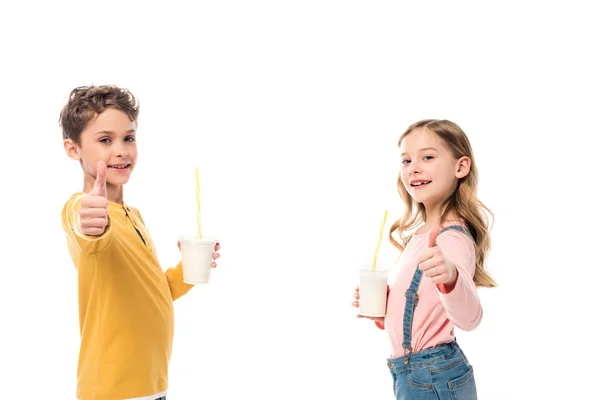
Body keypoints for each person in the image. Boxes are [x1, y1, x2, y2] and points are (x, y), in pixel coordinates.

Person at [59, 85, 221, 400]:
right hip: (113, 389)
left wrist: (188, 269)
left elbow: (152, 291)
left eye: (128, 138)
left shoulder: (133, 215)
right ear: (73, 149)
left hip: (152, 383)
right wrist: (89, 220)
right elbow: (86, 228)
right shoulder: (82, 208)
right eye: (105, 140)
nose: (121, 150)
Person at [352, 119, 496, 399]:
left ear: (460, 167)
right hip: (418, 375)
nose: (413, 168)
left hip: (432, 376)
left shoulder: (452, 238)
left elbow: (469, 318)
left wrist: (451, 277)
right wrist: (383, 311)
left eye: (427, 157)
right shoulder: (420, 235)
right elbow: (424, 309)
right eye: (406, 161)